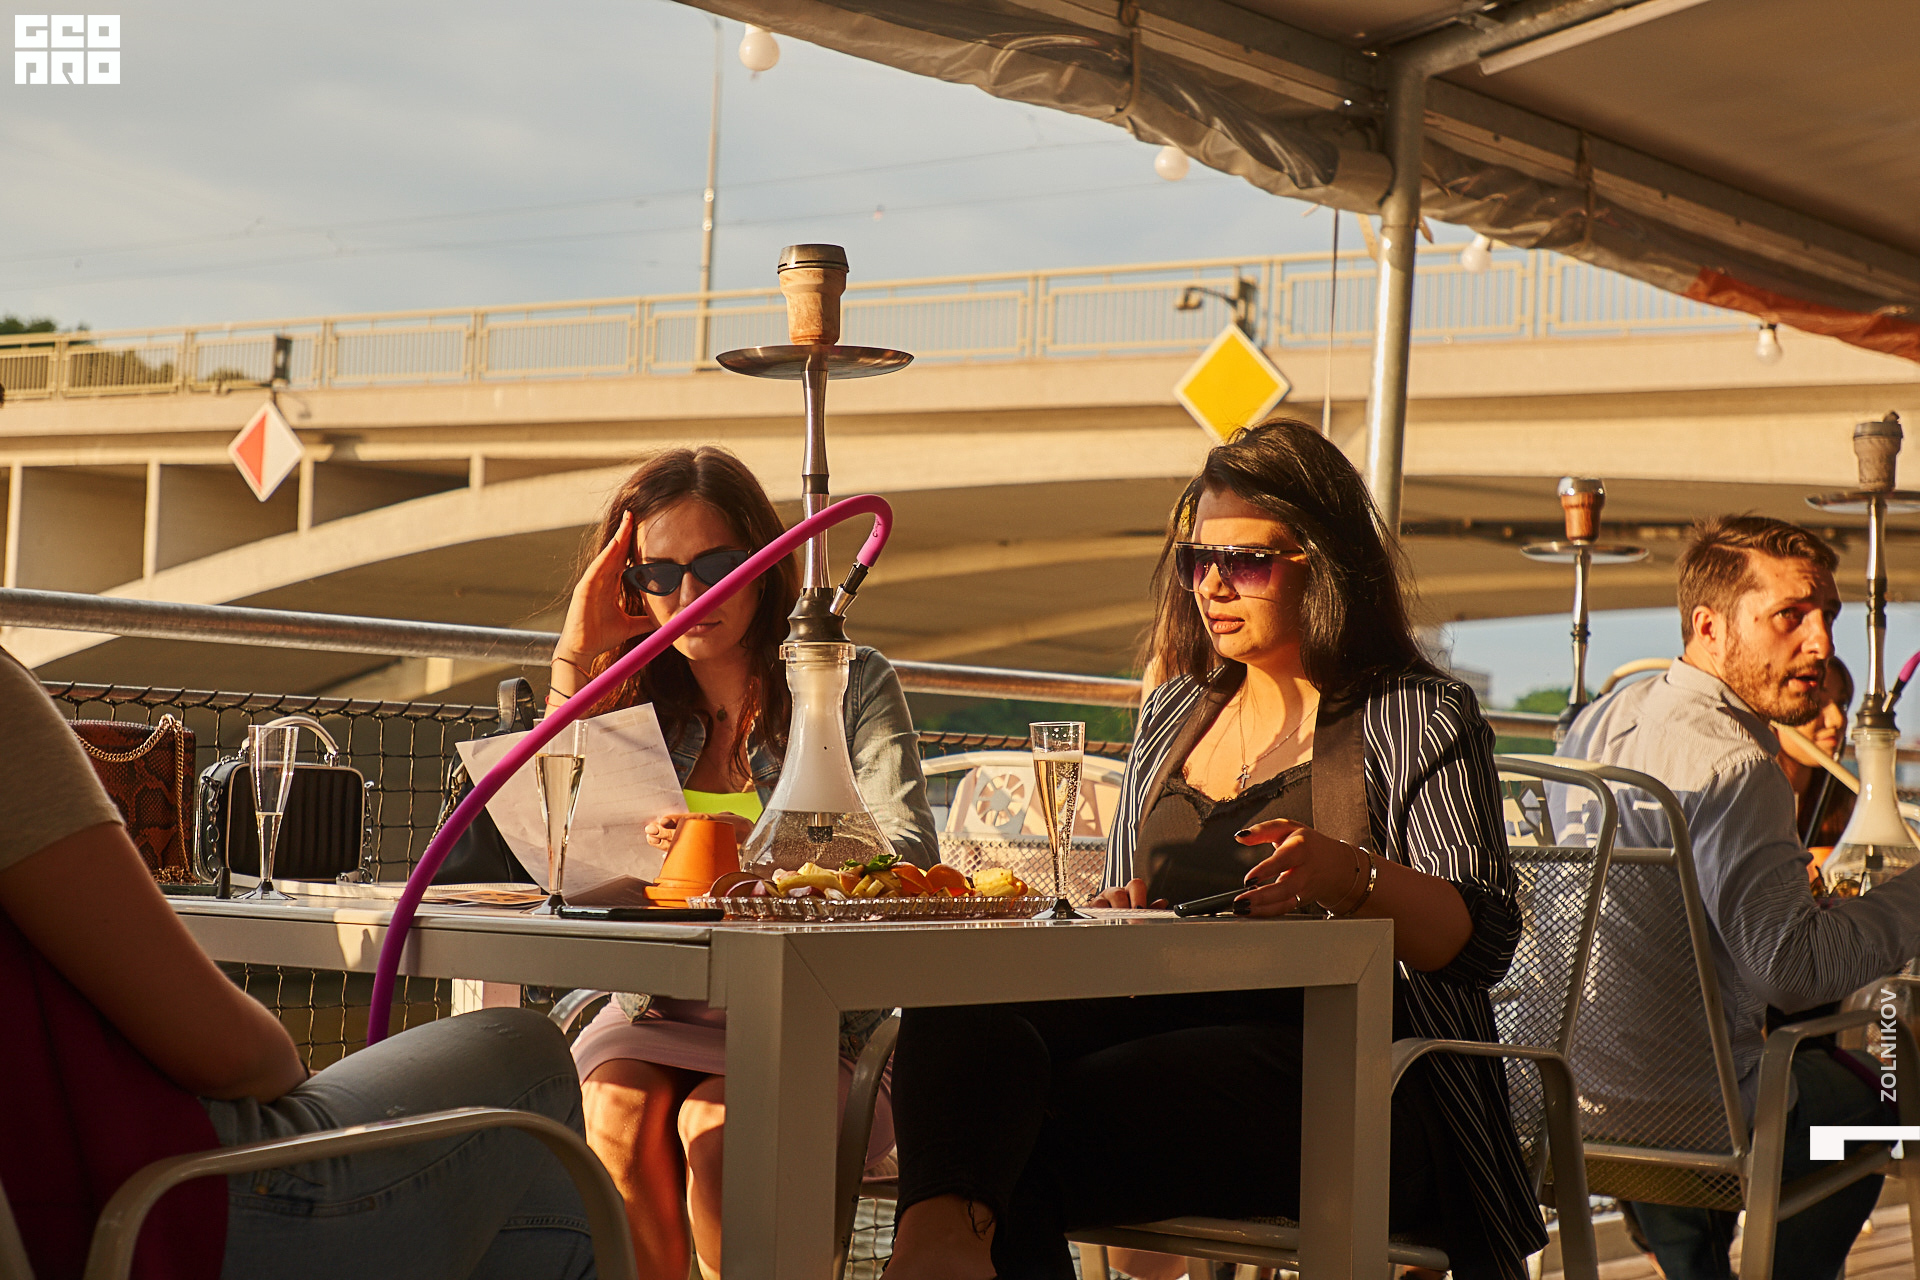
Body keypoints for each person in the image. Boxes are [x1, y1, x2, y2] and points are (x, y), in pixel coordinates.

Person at [882, 418, 1546, 1280]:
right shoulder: (1175, 712)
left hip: (1357, 1077)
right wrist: (1122, 907)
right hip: (1167, 1033)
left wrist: (1348, 875)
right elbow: (1125, 905)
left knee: (1012, 1130)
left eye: (1247, 562)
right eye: (1198, 560)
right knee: (959, 1005)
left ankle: (935, 1255)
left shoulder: (1414, 714)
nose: (1213, 585)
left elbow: (1480, 941)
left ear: (1324, 563)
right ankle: (937, 1251)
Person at [0, 650, 597, 1280]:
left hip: (57, 1208)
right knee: (529, 1052)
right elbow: (231, 1054)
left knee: (515, 1196)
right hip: (158, 1205)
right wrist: (295, 1074)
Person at [545, 445, 937, 1280]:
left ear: (764, 561)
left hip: (813, 1018)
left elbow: (907, 856)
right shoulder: (631, 690)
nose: (691, 595)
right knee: (612, 1110)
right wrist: (576, 658)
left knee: (718, 1132)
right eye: (659, 575)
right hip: (656, 1004)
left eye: (717, 565)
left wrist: (757, 855)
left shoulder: (848, 681)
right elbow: (553, 842)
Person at [1558, 515, 1915, 1280]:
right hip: (1706, 1122)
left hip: (1577, 1103)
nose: (1821, 643)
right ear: (1709, 626)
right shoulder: (1737, 762)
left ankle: (1693, 1264)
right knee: (1876, 1114)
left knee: (1704, 1059)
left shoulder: (1596, 724)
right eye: (1790, 616)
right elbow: (1794, 973)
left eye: (1828, 615)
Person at [1777, 655, 1855, 860]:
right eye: (1818, 702)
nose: (1838, 720)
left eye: (1842, 704)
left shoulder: (1848, 804)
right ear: (1775, 711)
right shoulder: (1745, 798)